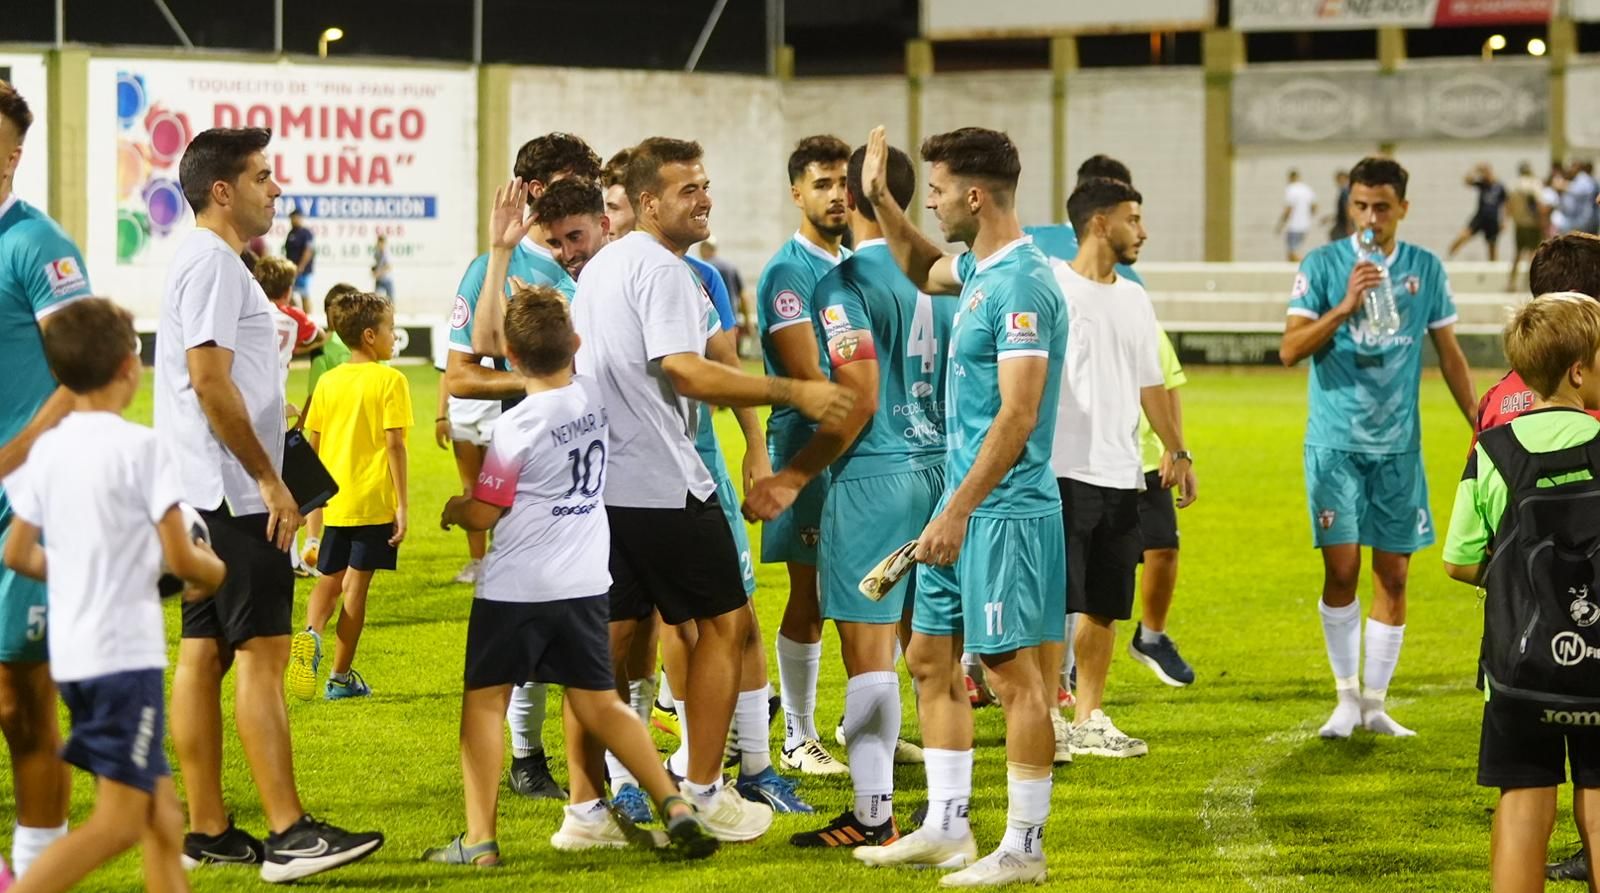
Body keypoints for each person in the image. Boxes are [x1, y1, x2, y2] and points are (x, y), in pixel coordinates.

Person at [570, 136, 853, 841]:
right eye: (686, 189)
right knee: (728, 625)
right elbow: (687, 370)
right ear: (647, 203)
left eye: (704, 185)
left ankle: (585, 810)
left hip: (609, 483)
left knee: (604, 647)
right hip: (664, 484)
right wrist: (793, 389)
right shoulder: (665, 271)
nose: (704, 199)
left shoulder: (604, 265)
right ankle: (703, 786)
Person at [156, 126, 382, 880]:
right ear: (222, 190)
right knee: (260, 653)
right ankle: (290, 833)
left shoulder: (198, 258)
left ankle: (210, 828)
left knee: (204, 650)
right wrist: (270, 478)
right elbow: (211, 380)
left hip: (197, 487)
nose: (274, 188)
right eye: (262, 176)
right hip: (232, 494)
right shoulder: (217, 264)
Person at [429, 287, 719, 864]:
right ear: (577, 345)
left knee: (485, 704)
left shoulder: (516, 428)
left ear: (510, 357)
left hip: (518, 585)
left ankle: (480, 842)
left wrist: (456, 509)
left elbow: (488, 510)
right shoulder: (592, 396)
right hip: (587, 580)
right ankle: (674, 804)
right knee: (601, 703)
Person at [850, 124, 1065, 887]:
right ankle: (946, 824)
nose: (931, 202)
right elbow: (920, 263)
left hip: (1001, 509)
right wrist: (880, 200)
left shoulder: (1023, 285)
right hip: (962, 499)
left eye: (936, 190)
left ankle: (1025, 847)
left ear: (976, 195)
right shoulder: (978, 265)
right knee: (929, 655)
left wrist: (958, 510)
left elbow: (1018, 414)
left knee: (1010, 675)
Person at [744, 140, 946, 848]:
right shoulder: (942, 278)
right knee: (933, 653)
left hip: (871, 476)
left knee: (868, 655)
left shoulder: (845, 283)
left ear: (857, 195)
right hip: (940, 470)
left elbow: (852, 400)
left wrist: (793, 474)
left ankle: (872, 812)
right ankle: (946, 815)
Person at [1, 298, 226, 893]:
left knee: (161, 816)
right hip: (125, 658)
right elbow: (180, 560)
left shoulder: (46, 451)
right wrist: (214, 573)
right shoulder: (143, 449)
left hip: (74, 657)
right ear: (131, 367)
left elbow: (17, 553)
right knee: (120, 821)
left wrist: (81, 573)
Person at [1278, 155, 1476, 741]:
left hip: (1399, 449)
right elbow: (1289, 350)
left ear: (1402, 209)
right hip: (1336, 444)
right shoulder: (1323, 264)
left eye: (1381, 207)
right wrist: (1343, 306)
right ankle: (1343, 697)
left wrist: (1482, 422)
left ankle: (1374, 702)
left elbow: (1451, 354)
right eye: (1360, 206)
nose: (1369, 217)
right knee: (1342, 571)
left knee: (1394, 576)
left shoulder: (1424, 269)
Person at [443, 131, 601, 803]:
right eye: (569, 179)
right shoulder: (494, 269)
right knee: (540, 623)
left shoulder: (600, 257)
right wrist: (541, 385)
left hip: (599, 465)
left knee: (607, 625)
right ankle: (529, 755)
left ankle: (631, 777)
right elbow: (460, 374)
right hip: (537, 466)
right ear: (533, 190)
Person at [1441, 293, 1600, 893]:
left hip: (1518, 661)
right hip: (1597, 660)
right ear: (1577, 370)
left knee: (1523, 797)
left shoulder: (1493, 449)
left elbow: (1458, 562)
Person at [1024, 154, 1198, 701]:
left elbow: (1152, 383)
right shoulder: (1050, 287)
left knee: (1104, 604)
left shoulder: (1135, 297)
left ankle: (1089, 716)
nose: (1142, 232)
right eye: (1133, 218)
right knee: (1055, 604)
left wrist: (1178, 450)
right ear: (1100, 222)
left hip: (1122, 472)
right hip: (1061, 470)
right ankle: (1051, 713)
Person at [0, 80, 89, 879]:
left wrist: (11, 456)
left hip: (21, 507)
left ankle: (37, 866)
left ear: (14, 154)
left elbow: (83, 375)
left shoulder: (39, 246)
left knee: (19, 702)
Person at [755, 134, 854, 777]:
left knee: (866, 590)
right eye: (822, 184)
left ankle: (861, 723)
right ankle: (797, 734)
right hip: (808, 442)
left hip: (863, 443)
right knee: (811, 591)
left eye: (843, 182)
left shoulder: (856, 265)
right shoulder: (789, 272)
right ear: (797, 192)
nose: (837, 195)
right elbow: (806, 373)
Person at [289, 292, 411, 701]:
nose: (396, 337)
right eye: (392, 329)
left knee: (328, 578)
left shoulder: (327, 381)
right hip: (372, 501)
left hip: (335, 501)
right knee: (356, 590)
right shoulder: (391, 380)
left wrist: (313, 505)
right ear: (371, 335)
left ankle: (311, 633)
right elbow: (395, 445)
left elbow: (315, 445)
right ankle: (340, 678)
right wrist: (403, 505)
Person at [253, 256, 326, 428]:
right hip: (275, 403)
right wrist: (296, 348)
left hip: (243, 402)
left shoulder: (247, 313)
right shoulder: (294, 318)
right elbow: (320, 336)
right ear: (287, 292)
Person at [699, 236, 751, 354]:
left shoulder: (701, 268)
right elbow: (743, 296)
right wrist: (747, 321)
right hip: (730, 321)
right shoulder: (730, 267)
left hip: (710, 323)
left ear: (704, 249)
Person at [1449, 164, 1507, 262]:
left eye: (1487, 172)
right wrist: (1475, 169)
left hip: (1492, 220)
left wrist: (1504, 220)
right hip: (1480, 217)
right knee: (1463, 236)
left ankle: (1494, 268)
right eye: (1483, 173)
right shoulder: (1483, 184)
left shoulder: (1500, 187)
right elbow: (1467, 181)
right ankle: (1448, 258)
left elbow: (1506, 204)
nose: (1486, 175)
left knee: (1492, 247)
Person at [1506, 162, 1547, 291]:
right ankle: (1533, 284)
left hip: (1519, 224)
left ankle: (1511, 283)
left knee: (1518, 254)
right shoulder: (1534, 184)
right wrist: (1543, 222)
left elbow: (1509, 206)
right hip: (1532, 224)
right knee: (1534, 255)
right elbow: (1540, 205)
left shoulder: (1514, 185)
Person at [1278, 169, 1317, 263]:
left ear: (1291, 177)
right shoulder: (1307, 189)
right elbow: (1315, 206)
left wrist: (1281, 224)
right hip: (1305, 225)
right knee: (1295, 250)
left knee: (1292, 252)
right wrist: (1307, 216)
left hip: (1294, 225)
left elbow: (1288, 209)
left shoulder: (1291, 189)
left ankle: (1308, 266)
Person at [284, 209, 315, 314]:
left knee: (304, 294)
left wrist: (301, 267)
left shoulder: (305, 233)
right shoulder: (291, 233)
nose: (293, 220)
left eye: (295, 217)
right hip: (291, 270)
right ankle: (297, 315)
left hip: (303, 271)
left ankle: (308, 317)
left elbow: (308, 250)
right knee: (290, 294)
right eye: (291, 218)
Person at [1563, 161, 1600, 236]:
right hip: (1581, 219)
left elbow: (1583, 191)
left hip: (1585, 219)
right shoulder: (1578, 179)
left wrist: (1563, 186)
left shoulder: (1583, 178)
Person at [1325, 170, 1352, 243]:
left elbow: (1348, 208)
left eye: (1338, 179)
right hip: (1342, 224)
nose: (1337, 182)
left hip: (1344, 225)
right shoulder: (1346, 190)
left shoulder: (1346, 191)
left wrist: (1349, 225)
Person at [371, 234, 394, 300]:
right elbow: (377, 265)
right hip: (379, 280)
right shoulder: (377, 253)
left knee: (390, 301)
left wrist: (378, 272)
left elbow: (389, 267)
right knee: (376, 300)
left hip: (387, 279)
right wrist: (374, 270)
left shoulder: (387, 253)